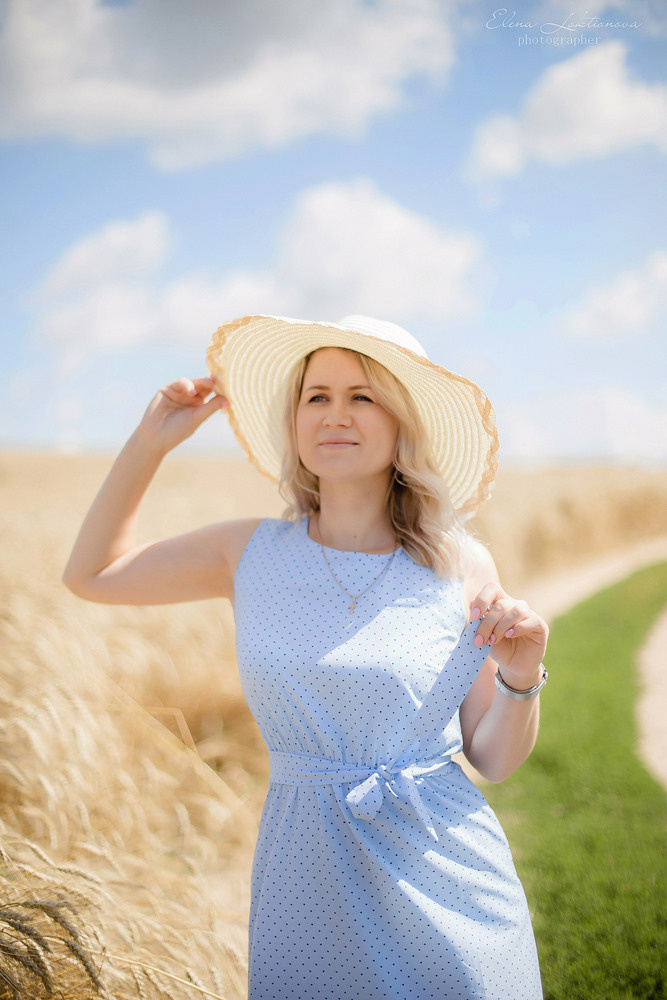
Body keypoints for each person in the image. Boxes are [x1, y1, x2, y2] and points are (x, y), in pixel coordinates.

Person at [63, 313, 549, 1000]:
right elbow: (92, 575)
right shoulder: (248, 552)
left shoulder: (460, 564)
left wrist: (520, 677)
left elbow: (493, 758)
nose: (334, 415)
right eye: (315, 396)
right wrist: (149, 444)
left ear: (402, 421)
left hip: (446, 869)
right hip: (305, 873)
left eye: (362, 396)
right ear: (294, 420)